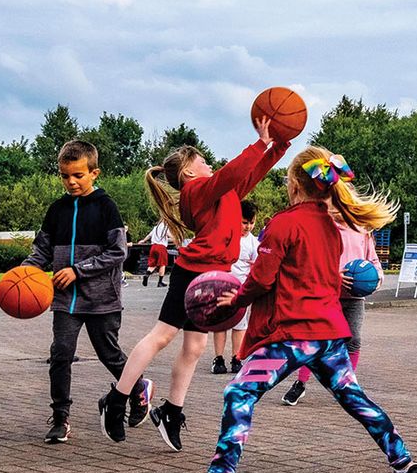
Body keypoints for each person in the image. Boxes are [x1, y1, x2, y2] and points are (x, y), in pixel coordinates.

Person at [161, 146, 417, 473]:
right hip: (330, 334)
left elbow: (261, 278)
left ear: (294, 184)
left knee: (239, 392)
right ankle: (405, 466)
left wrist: (234, 301)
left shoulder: (283, 224)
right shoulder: (331, 228)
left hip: (292, 335)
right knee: (355, 399)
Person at [98, 119, 288, 450]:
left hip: (214, 276)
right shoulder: (197, 191)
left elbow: (248, 175)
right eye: (202, 161)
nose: (209, 164)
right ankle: (117, 399)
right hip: (193, 273)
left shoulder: (222, 194)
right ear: (188, 173)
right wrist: (260, 143)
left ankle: (171, 412)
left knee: (196, 348)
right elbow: (232, 172)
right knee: (162, 336)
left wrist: (278, 148)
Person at [21, 139, 152, 444]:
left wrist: (78, 270)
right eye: (65, 175)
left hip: (102, 298)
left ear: (95, 173)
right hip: (65, 299)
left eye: (78, 175)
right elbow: (42, 249)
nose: (71, 182)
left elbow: (117, 252)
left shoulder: (106, 207)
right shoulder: (57, 210)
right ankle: (60, 419)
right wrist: (25, 272)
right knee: (60, 354)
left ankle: (138, 389)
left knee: (109, 354)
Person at [281, 153, 384, 406]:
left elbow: (373, 262)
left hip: (354, 297)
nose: (335, 206)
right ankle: (300, 383)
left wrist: (375, 279)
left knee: (354, 339)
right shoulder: (323, 227)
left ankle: (348, 384)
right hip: (327, 294)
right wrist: (332, 276)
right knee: (317, 341)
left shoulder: (361, 229)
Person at [213, 200, 258, 375]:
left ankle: (236, 357)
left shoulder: (254, 243)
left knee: (240, 324)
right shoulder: (225, 237)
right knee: (221, 324)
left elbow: (257, 266)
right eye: (244, 222)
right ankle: (218, 358)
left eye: (251, 223)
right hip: (222, 288)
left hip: (241, 291)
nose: (248, 227)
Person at [143, 220, 170, 288]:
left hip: (153, 247)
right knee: (162, 264)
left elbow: (149, 235)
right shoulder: (165, 228)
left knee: (153, 263)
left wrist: (143, 240)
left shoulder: (155, 228)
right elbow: (171, 236)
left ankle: (147, 275)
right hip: (161, 247)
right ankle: (160, 282)